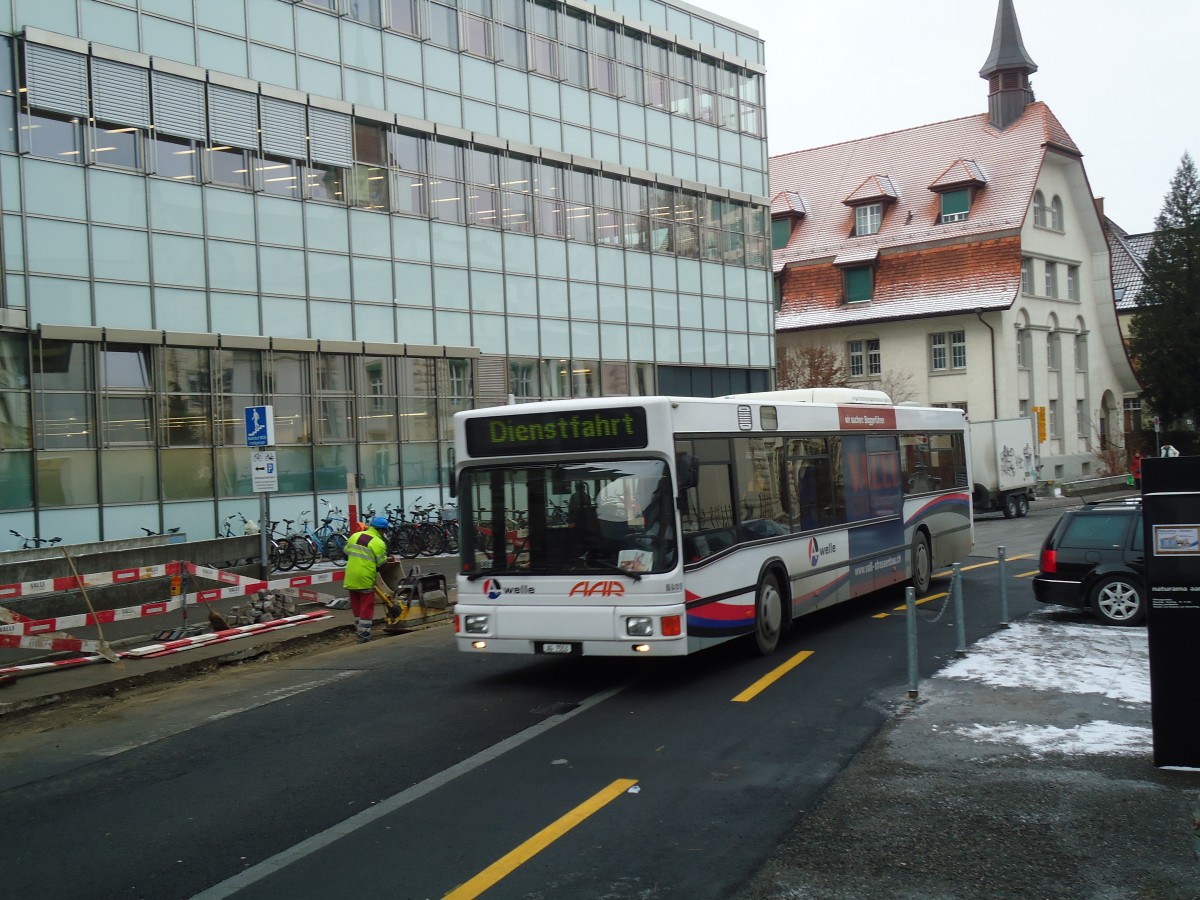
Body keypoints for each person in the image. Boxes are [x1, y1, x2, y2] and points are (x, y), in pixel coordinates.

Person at [344, 515, 391, 643]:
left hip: (350, 577)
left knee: (357, 607)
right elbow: (381, 564)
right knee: (366, 607)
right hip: (365, 578)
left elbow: (346, 553)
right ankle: (363, 636)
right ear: (382, 530)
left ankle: (359, 630)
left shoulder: (355, 536)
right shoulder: (378, 543)